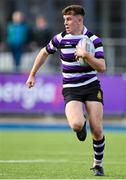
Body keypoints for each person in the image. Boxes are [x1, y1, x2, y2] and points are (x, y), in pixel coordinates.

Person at [26, 5, 106, 176]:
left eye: (69, 19)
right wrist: (32, 74)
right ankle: (81, 126)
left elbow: (102, 67)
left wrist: (86, 55)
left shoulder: (94, 40)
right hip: (71, 89)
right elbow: (43, 52)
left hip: (91, 87)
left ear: (79, 19)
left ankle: (97, 164)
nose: (66, 23)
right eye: (64, 20)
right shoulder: (60, 38)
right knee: (76, 124)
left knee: (97, 129)